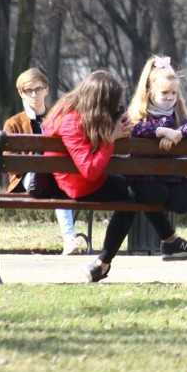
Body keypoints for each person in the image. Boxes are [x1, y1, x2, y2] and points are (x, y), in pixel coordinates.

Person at [42, 70, 136, 282]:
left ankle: (170, 240)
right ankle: (103, 262)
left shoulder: (75, 109)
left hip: (79, 180)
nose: (117, 107)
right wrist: (111, 138)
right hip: (78, 185)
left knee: (137, 189)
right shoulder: (71, 121)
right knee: (135, 194)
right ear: (101, 103)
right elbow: (90, 170)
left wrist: (116, 125)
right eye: (113, 104)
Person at [118, 55, 187, 260]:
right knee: (157, 195)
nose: (170, 97)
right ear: (150, 92)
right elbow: (134, 129)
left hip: (171, 175)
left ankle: (170, 241)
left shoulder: (177, 114)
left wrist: (178, 134)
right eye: (164, 92)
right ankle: (171, 240)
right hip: (144, 177)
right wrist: (162, 131)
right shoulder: (140, 114)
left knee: (184, 202)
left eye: (174, 93)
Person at [3, 68, 81, 255]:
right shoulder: (13, 123)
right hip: (26, 179)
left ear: (47, 89)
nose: (34, 95)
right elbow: (10, 162)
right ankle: (70, 238)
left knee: (57, 180)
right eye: (28, 91)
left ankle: (70, 240)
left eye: (38, 89)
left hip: (56, 177)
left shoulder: (59, 118)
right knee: (55, 181)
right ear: (21, 93)